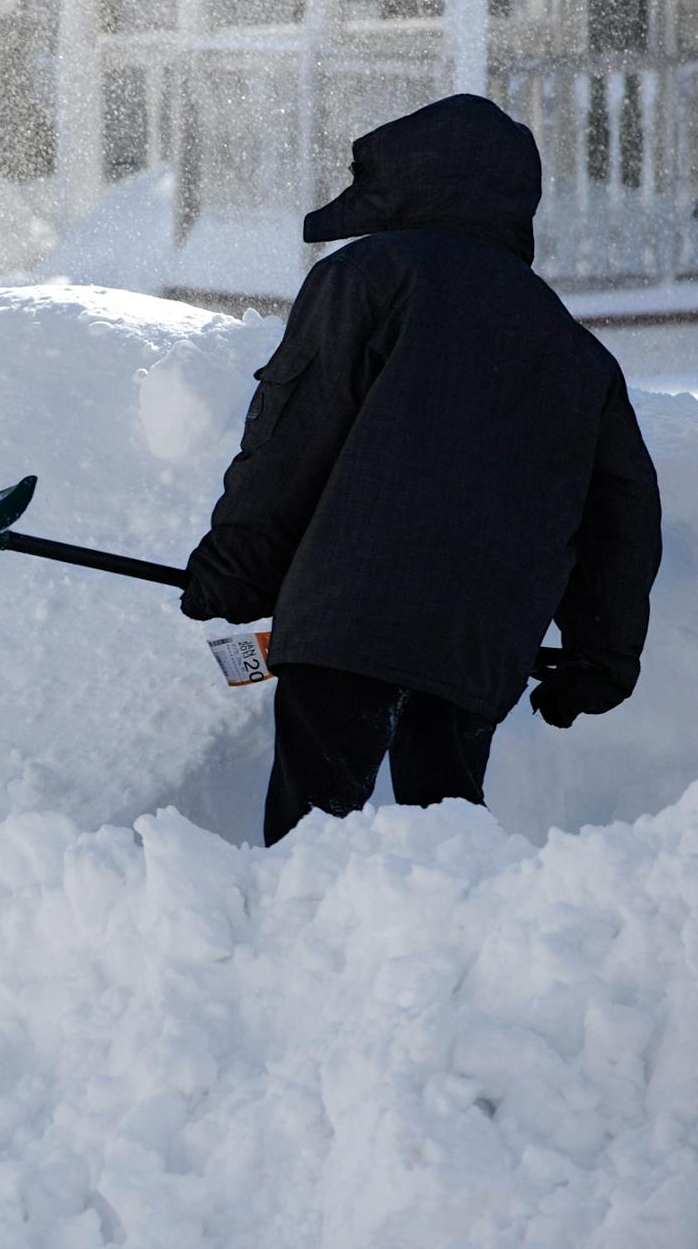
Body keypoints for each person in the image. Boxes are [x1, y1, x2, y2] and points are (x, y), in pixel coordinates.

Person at [179, 93, 662, 846]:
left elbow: (295, 433)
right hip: (482, 637)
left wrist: (238, 564)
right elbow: (621, 514)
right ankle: (441, 950)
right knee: (446, 832)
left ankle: (301, 954)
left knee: (312, 834)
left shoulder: (371, 275)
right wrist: (603, 655)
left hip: (350, 610)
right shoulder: (574, 350)